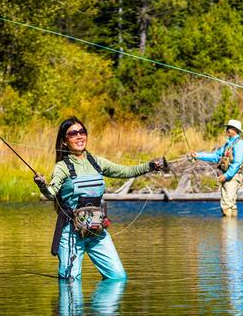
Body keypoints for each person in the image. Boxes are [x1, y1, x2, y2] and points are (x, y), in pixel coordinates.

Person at [34, 116, 164, 281]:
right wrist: (43, 185)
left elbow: (125, 172)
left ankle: (99, 307)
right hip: (71, 232)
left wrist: (150, 166)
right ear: (64, 141)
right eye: (73, 133)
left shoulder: (96, 162)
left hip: (97, 229)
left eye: (82, 132)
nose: (79, 136)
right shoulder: (62, 167)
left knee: (118, 277)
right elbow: (51, 192)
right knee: (70, 280)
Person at [190, 119, 243, 217]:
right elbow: (216, 156)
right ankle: (232, 230)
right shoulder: (229, 144)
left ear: (236, 130)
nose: (227, 129)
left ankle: (228, 229)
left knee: (226, 204)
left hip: (233, 176)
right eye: (227, 127)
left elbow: (237, 163)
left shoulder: (239, 144)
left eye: (230, 128)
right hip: (230, 176)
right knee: (230, 204)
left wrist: (226, 175)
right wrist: (198, 155)